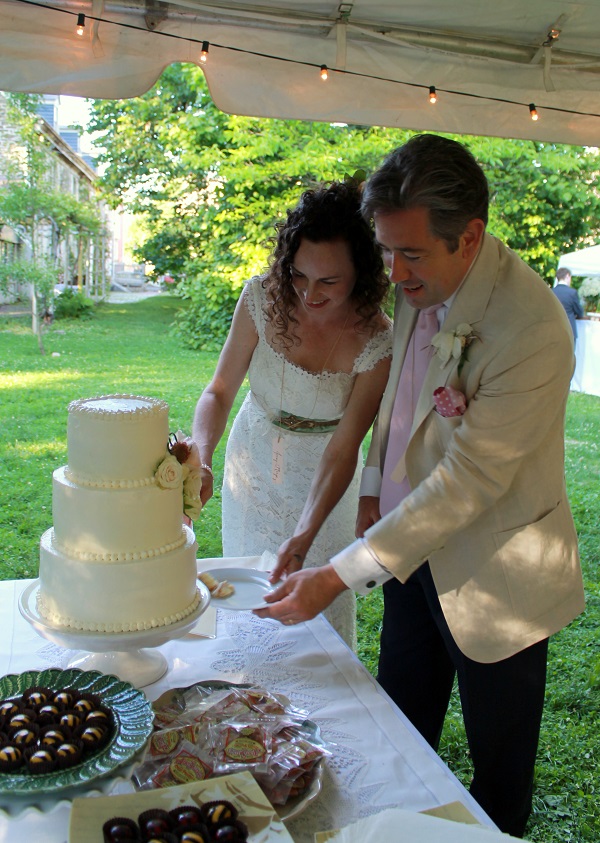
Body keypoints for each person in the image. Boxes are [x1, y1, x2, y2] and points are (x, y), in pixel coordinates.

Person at [254, 135, 585, 837]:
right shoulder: (419, 280)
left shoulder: (531, 328)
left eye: (410, 253)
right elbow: (402, 396)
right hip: (405, 549)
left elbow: (470, 479)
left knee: (499, 770)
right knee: (399, 726)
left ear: (469, 237)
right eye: (385, 249)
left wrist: (333, 574)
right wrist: (375, 482)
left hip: (498, 572)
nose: (393, 271)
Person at [192, 180, 392, 648]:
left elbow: (346, 447)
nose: (309, 293)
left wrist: (304, 535)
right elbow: (219, 391)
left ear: (361, 273)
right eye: (299, 276)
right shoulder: (261, 298)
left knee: (314, 612)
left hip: (325, 480)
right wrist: (202, 457)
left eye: (328, 281)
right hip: (253, 461)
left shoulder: (379, 340)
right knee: (246, 596)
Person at [553, 266, 584, 339]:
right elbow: (579, 312)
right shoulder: (572, 292)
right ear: (567, 276)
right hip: (569, 329)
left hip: (554, 328)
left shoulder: (551, 292)